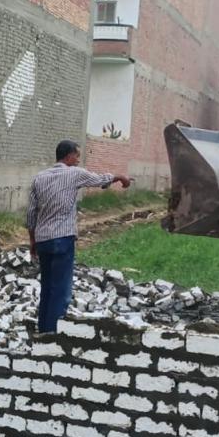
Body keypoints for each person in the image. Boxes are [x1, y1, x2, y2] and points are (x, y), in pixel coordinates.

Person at [26, 140, 130, 334]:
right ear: (68, 156)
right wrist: (120, 177)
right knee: (60, 291)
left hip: (43, 240)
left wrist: (33, 241)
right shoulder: (74, 173)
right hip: (62, 239)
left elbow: (31, 214)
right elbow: (99, 180)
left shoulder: (39, 178)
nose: (78, 160)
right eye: (77, 156)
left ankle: (43, 331)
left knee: (47, 288)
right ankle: (52, 336)